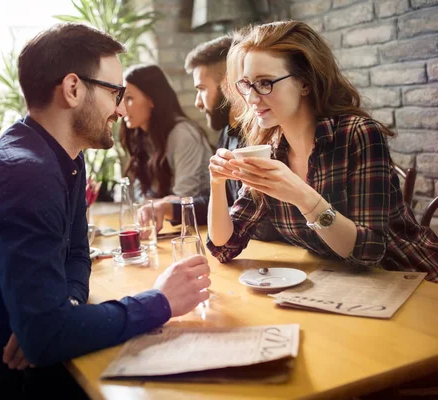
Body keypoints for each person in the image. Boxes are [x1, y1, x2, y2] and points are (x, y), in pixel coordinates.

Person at [0, 23, 211, 400]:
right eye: (115, 92)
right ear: (73, 89)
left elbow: (76, 257)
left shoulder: (63, 157)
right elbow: (45, 338)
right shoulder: (24, 172)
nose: (119, 107)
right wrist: (160, 301)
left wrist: (59, 316)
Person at [207, 21, 438, 281]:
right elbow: (225, 247)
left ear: (305, 83)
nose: (250, 98)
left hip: (411, 278)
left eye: (265, 83)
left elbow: (369, 251)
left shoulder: (357, 134)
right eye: (247, 84)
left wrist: (303, 197)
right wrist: (217, 182)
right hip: (344, 283)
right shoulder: (269, 149)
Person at [143, 35, 285, 243]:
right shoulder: (228, 133)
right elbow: (221, 201)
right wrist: (171, 207)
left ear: (229, 84)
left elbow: (263, 223)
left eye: (201, 89)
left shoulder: (265, 136)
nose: (198, 103)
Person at [120, 63, 213, 201]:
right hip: (168, 220)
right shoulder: (140, 136)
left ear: (151, 99)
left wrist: (150, 206)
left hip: (200, 219)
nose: (122, 107)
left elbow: (185, 197)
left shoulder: (182, 134)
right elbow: (142, 195)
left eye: (129, 98)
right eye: (121, 99)